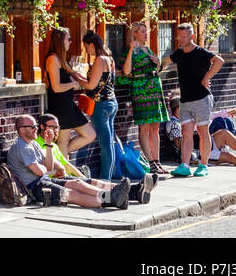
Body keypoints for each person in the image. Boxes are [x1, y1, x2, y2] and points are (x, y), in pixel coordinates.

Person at [7, 114, 129, 209]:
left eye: (35, 126)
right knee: (72, 194)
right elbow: (40, 171)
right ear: (21, 129)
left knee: (78, 183)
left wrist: (48, 144)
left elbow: (48, 168)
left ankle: (114, 196)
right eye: (32, 126)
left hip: (43, 181)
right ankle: (111, 200)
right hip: (33, 189)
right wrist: (43, 166)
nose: (36, 129)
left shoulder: (33, 143)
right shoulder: (22, 147)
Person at [33, 114, 155, 204]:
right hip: (51, 181)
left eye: (57, 128)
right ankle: (112, 198)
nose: (55, 131)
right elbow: (48, 168)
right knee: (81, 189)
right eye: (51, 127)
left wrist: (83, 177)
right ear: (42, 127)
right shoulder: (38, 144)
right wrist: (66, 174)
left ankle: (135, 190)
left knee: (94, 182)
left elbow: (67, 165)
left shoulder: (53, 145)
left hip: (61, 177)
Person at [160, 22, 223, 177]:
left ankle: (203, 166)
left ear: (191, 36)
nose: (180, 40)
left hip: (201, 99)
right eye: (179, 37)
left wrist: (207, 77)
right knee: (186, 133)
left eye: (184, 37)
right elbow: (166, 61)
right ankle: (184, 165)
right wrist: (157, 65)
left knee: (202, 132)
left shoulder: (201, 52)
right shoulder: (179, 53)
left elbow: (219, 61)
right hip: (185, 101)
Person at [121, 20, 167, 175]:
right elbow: (126, 71)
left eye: (146, 31)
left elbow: (158, 68)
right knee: (145, 127)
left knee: (155, 127)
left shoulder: (148, 48)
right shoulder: (132, 50)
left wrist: (158, 62)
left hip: (154, 87)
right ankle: (151, 162)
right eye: (142, 31)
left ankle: (157, 161)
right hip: (141, 89)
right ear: (134, 33)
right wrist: (130, 51)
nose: (146, 34)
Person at [43, 27, 95, 156]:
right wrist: (73, 84)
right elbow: (56, 87)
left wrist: (83, 80)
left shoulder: (61, 59)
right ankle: (62, 169)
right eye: (69, 39)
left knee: (90, 135)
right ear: (61, 41)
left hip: (67, 104)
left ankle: (60, 155)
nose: (71, 42)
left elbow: (72, 75)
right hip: (60, 105)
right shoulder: (53, 59)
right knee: (63, 142)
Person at [81, 31, 120, 181]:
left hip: (100, 105)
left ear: (92, 45)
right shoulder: (110, 59)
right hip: (112, 103)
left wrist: (76, 78)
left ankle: (106, 180)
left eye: (86, 48)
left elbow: (91, 85)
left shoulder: (99, 60)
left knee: (105, 144)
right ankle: (109, 177)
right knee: (109, 141)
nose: (87, 51)